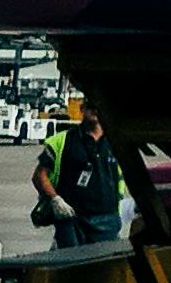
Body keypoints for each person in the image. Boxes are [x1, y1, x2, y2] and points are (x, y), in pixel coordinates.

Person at [31, 101, 124, 250]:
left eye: (98, 107)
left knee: (104, 268)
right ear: (82, 109)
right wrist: (55, 199)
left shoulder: (116, 142)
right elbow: (39, 176)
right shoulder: (64, 140)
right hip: (72, 219)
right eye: (90, 107)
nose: (94, 111)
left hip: (107, 218)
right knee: (70, 266)